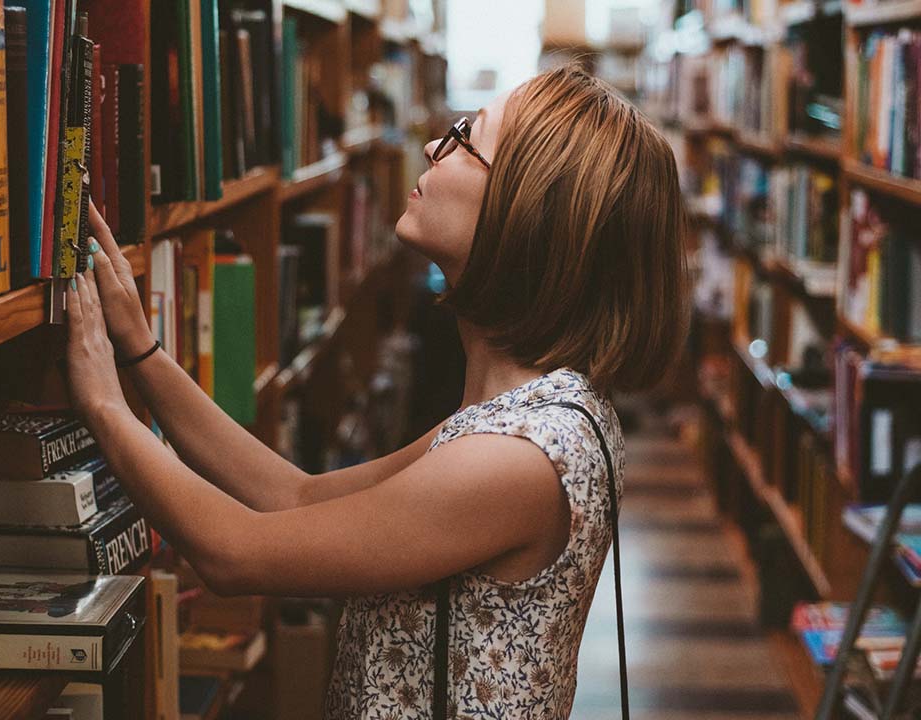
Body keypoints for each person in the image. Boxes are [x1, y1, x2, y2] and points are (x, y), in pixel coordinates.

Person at [65, 63, 688, 719]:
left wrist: (107, 408)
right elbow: (291, 496)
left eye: (463, 138)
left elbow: (233, 553)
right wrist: (140, 351)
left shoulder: (517, 457)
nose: (430, 147)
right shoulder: (525, 417)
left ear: (526, 212)